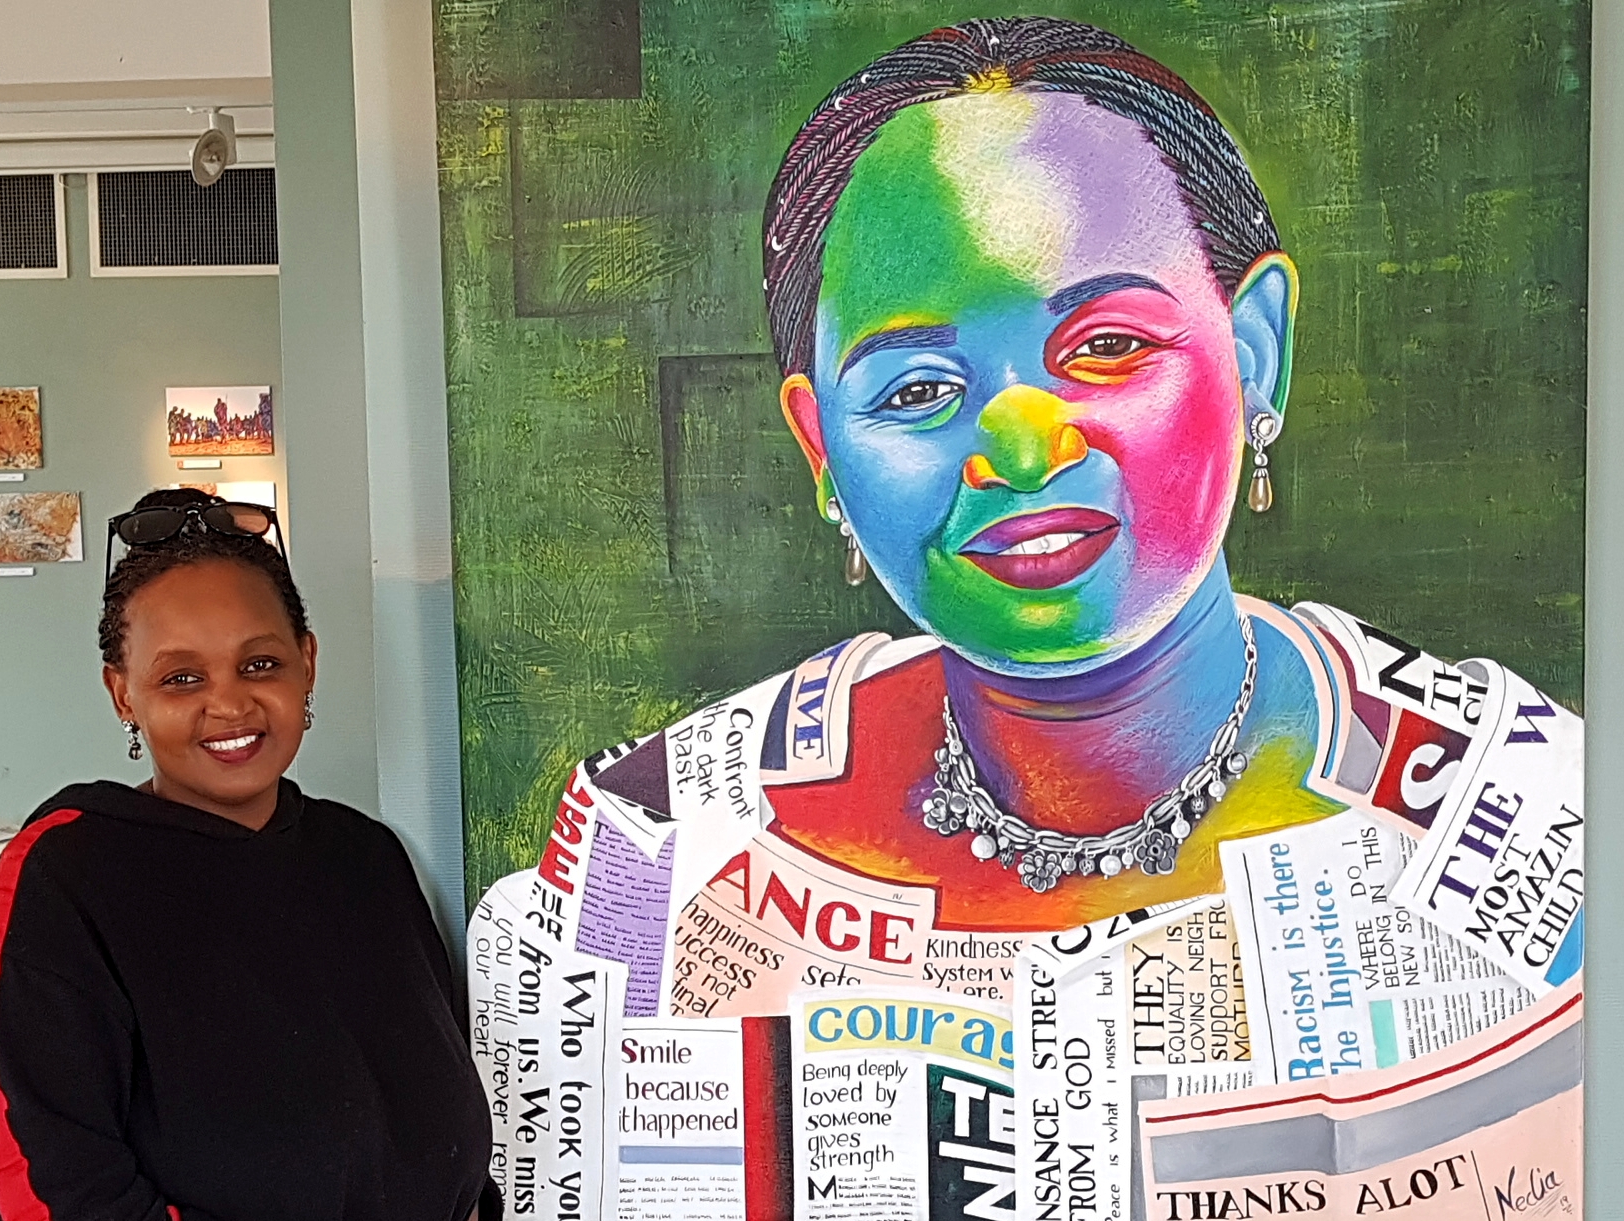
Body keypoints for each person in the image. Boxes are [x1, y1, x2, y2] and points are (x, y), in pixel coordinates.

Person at [481, 17, 1577, 1019]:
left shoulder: (1538, 825)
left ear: (1255, 352)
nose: (1020, 447)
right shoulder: (659, 847)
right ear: (821, 449)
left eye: (1107, 346)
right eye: (916, 390)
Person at [0, 489, 500, 1221]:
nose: (229, 703)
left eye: (259, 663)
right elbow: (50, 1208)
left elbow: (448, 1127)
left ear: (307, 663)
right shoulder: (62, 879)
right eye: (181, 678)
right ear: (123, 692)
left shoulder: (367, 861)